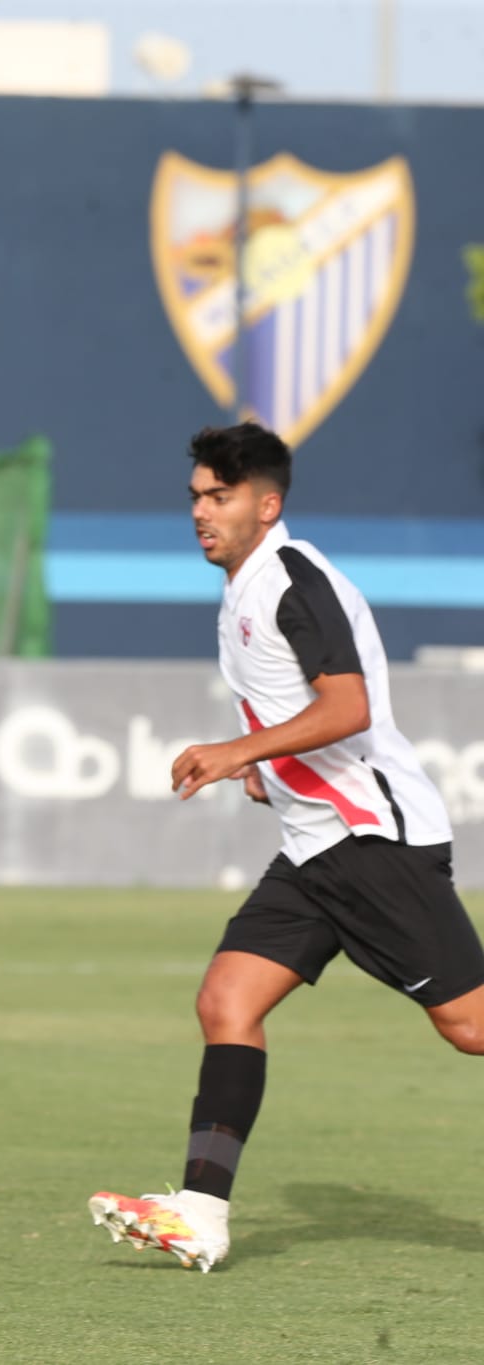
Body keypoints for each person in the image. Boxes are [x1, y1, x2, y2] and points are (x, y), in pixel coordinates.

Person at [89, 422, 484, 1273]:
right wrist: (268, 765)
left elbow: (348, 709)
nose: (201, 510)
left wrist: (239, 753)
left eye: (220, 497)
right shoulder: (240, 590)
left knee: (470, 1026)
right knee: (227, 999)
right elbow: (293, 711)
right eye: (196, 494)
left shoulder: (290, 580)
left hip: (371, 840)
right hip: (315, 850)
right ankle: (200, 1211)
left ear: (267, 505)